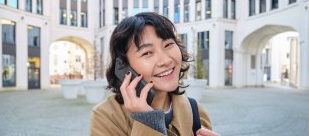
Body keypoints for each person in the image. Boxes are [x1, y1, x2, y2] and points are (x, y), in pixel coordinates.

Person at [90, 12, 218, 136]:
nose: (166, 61)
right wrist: (147, 121)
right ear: (124, 67)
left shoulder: (195, 111)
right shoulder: (106, 117)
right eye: (147, 53)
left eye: (168, 45)